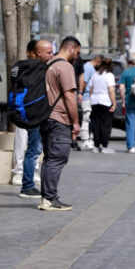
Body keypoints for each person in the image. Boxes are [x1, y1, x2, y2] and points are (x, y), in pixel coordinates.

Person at [38, 37, 81, 211]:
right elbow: (69, 96)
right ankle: (49, 199)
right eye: (78, 52)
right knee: (57, 158)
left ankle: (47, 197)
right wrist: (76, 122)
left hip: (47, 118)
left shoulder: (49, 64)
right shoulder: (65, 66)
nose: (78, 56)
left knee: (50, 159)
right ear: (71, 48)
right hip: (59, 119)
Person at [17, 40, 53, 199]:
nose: (51, 56)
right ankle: (27, 186)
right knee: (34, 150)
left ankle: (27, 183)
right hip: (36, 114)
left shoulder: (18, 67)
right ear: (37, 52)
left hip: (24, 111)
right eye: (49, 52)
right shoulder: (39, 68)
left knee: (32, 148)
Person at [89, 57, 117, 154]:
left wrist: (92, 98)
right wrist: (114, 103)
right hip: (105, 101)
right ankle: (104, 145)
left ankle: (96, 145)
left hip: (95, 101)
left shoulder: (95, 75)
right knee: (106, 124)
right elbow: (111, 90)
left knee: (96, 124)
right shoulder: (109, 75)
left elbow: (91, 89)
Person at [78, 54, 103, 151]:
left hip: (89, 96)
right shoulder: (88, 67)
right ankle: (84, 140)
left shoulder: (89, 67)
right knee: (86, 117)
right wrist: (81, 93)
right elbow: (84, 82)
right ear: (98, 62)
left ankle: (89, 138)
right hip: (86, 96)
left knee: (89, 118)